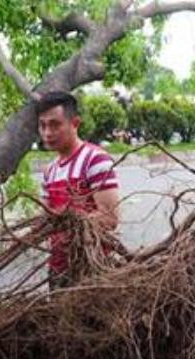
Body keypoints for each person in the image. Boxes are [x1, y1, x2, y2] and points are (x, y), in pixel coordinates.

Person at [36, 91, 121, 285]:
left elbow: (109, 218)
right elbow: (44, 220)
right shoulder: (50, 170)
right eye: (43, 125)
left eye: (55, 124)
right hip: (59, 269)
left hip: (92, 269)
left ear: (75, 124)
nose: (47, 133)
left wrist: (70, 224)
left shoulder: (95, 160)